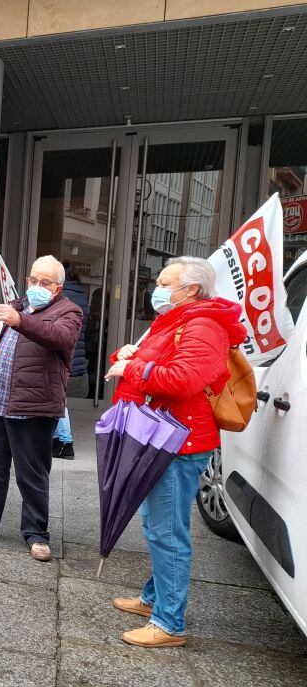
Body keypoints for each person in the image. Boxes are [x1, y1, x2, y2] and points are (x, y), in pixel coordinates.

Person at [105, 257, 246, 648]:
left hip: (178, 442)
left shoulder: (203, 325)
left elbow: (182, 380)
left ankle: (169, 623)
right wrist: (128, 357)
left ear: (192, 290)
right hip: (162, 436)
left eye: (168, 283)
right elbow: (144, 359)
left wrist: (132, 368)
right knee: (156, 525)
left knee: (166, 531)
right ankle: (153, 599)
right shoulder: (178, 320)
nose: (159, 288)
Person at [0, 256, 83, 562]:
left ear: (58, 287)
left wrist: (20, 320)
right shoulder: (19, 304)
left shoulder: (69, 312)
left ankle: (36, 534)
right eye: (33, 279)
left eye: (45, 282)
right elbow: (4, 345)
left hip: (34, 407)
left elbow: (60, 337)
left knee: (32, 474)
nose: (37, 286)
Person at [52, 261, 90, 459]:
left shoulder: (63, 296)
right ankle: (59, 440)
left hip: (65, 357)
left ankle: (65, 442)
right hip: (77, 358)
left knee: (59, 400)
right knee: (59, 399)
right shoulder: (81, 295)